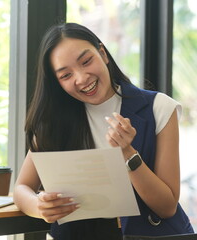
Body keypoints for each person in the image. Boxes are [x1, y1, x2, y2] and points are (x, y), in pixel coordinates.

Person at [13, 22, 194, 239]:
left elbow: (167, 207)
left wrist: (128, 153)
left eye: (86, 61)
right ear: (57, 83)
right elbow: (22, 188)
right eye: (66, 75)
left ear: (103, 53)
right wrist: (39, 206)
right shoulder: (55, 121)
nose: (81, 78)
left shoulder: (159, 108)